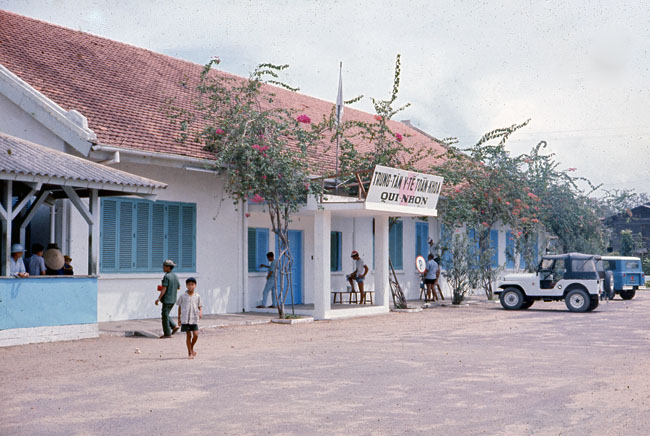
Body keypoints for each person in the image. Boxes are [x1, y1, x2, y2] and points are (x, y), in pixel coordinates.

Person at [177, 277, 203, 359]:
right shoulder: (183, 296)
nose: (190, 286)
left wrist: (200, 312)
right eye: (189, 284)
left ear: (195, 285)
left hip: (194, 318)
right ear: (186, 285)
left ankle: (191, 348)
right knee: (188, 335)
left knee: (196, 334)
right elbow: (179, 307)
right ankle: (189, 353)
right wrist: (179, 319)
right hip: (185, 319)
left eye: (192, 284)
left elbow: (200, 305)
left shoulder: (197, 296)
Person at [155, 259, 180, 338]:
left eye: (164, 266)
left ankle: (167, 333)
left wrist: (158, 299)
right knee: (165, 314)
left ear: (169, 267)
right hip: (173, 299)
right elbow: (178, 287)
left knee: (164, 316)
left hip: (167, 299)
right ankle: (174, 326)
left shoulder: (166, 276)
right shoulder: (175, 276)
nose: (163, 267)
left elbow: (164, 289)